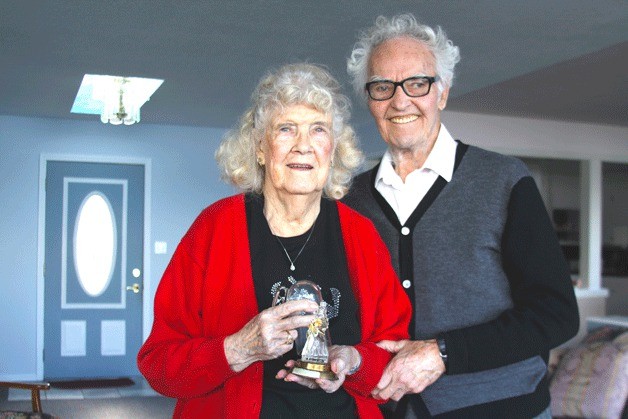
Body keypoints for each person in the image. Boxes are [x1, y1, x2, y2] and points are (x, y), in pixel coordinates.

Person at [137, 62, 412, 418]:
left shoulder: (360, 234)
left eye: (318, 130)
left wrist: (353, 360)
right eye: (286, 129)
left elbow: (393, 352)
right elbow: (159, 365)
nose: (303, 146)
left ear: (333, 150)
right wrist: (238, 349)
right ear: (261, 149)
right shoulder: (214, 228)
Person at [342, 14, 580, 419]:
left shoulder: (504, 180)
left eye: (417, 83)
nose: (400, 101)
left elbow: (556, 315)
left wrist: (443, 353)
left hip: (504, 408)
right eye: (383, 86)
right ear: (370, 100)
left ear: (443, 93)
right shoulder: (349, 199)